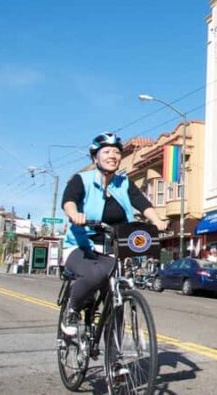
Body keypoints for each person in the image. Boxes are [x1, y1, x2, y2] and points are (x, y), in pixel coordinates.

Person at [59, 132, 168, 336]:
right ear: (95, 158)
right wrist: (74, 214)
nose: (113, 156)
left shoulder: (124, 183)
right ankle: (72, 310)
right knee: (94, 274)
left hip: (111, 248)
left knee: (116, 294)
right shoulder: (82, 180)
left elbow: (142, 203)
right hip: (81, 245)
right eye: (107, 151)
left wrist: (157, 220)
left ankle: (115, 354)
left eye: (116, 152)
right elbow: (69, 200)